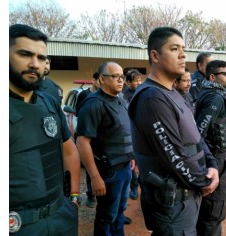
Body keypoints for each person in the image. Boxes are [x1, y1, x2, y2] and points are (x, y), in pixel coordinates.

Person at [128, 26, 219, 235]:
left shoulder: (173, 93)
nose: (183, 54)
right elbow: (174, 155)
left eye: (183, 48)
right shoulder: (152, 98)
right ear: (155, 55)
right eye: (174, 48)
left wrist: (211, 163)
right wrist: (203, 180)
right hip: (173, 205)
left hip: (188, 195)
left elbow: (195, 136)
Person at [9, 24, 80, 235]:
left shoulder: (49, 103)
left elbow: (68, 149)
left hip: (61, 216)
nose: (34, 64)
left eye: (41, 58)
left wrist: (74, 197)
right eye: (25, 54)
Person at [76, 61, 135, 235]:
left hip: (125, 167)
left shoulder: (120, 100)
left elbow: (124, 130)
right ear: (102, 79)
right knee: (106, 215)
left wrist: (130, 157)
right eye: (115, 76)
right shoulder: (93, 104)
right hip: (108, 172)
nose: (121, 81)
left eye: (122, 77)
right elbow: (82, 142)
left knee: (119, 211)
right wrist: (95, 177)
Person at [194, 60, 226, 235]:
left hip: (215, 156)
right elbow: (199, 133)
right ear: (212, 77)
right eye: (225, 73)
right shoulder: (215, 97)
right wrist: (210, 162)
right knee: (213, 211)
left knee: (209, 208)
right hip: (214, 158)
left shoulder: (211, 92)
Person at [73, 72, 101, 209]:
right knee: (91, 166)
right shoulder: (83, 95)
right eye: (99, 79)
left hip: (102, 138)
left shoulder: (106, 95)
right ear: (94, 80)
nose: (102, 81)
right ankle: (90, 195)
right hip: (89, 135)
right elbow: (79, 114)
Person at [122, 69, 142, 200]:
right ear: (128, 82)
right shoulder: (123, 97)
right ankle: (134, 186)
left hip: (142, 133)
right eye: (136, 81)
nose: (140, 83)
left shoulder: (142, 93)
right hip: (129, 134)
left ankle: (141, 183)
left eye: (141, 80)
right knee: (131, 162)